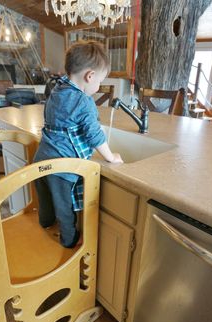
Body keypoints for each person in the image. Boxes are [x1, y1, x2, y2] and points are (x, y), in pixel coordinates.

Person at [34, 40, 123, 248]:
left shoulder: (57, 89)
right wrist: (111, 157)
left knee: (45, 198)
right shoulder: (84, 101)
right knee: (64, 207)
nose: (99, 86)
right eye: (100, 81)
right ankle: (69, 240)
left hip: (41, 158)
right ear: (89, 76)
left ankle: (45, 222)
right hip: (61, 167)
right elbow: (94, 135)